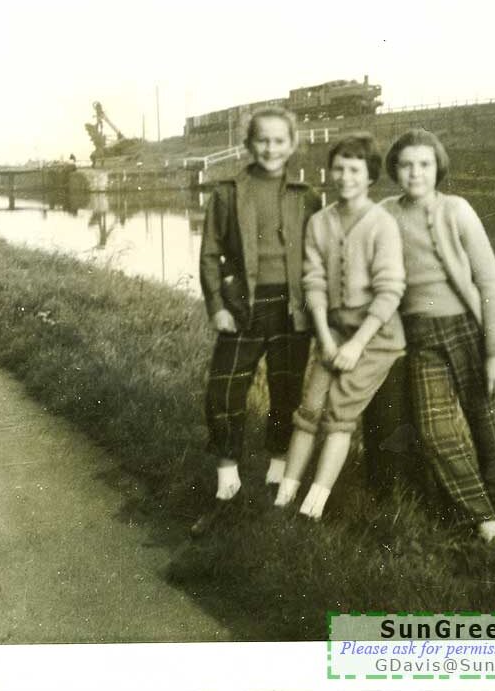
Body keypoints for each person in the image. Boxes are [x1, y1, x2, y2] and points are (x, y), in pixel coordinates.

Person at [379, 129, 495, 546]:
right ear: (395, 170)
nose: (415, 173)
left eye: (424, 164)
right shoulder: (385, 213)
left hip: (467, 329)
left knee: (490, 426)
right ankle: (484, 519)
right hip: (420, 339)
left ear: (437, 167)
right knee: (436, 430)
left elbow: (490, 283)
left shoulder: (457, 210)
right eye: (406, 165)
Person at [193, 106, 321, 536]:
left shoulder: (307, 196)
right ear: (249, 144)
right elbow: (210, 254)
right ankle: (227, 480)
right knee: (224, 389)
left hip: (292, 309)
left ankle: (276, 474)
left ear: (292, 145)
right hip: (244, 308)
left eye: (279, 141)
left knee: (286, 391)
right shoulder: (228, 193)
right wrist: (218, 307)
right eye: (262, 140)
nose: (271, 148)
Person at [274, 133, 405, 520]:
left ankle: (313, 506)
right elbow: (312, 283)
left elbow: (390, 290)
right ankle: (284, 497)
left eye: (354, 170)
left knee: (339, 413)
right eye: (338, 168)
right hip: (332, 333)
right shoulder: (319, 222)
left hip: (375, 337)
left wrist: (354, 346)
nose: (344, 177)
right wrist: (326, 338)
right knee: (309, 409)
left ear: (369, 177)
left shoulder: (382, 223)